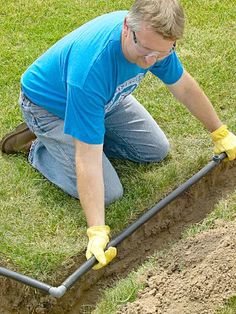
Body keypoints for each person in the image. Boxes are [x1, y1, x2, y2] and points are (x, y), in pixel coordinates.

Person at [1, 0, 236, 270]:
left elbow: (183, 86)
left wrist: (219, 131)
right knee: (110, 193)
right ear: (127, 27)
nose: (150, 61)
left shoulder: (153, 42)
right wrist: (97, 230)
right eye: (145, 50)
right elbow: (87, 159)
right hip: (52, 108)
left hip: (107, 100)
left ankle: (88, 131)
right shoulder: (91, 70)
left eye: (161, 54)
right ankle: (39, 147)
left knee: (155, 150)